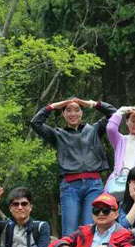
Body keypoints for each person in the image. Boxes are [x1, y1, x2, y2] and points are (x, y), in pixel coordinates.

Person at [30, 98, 116, 236]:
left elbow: (114, 114)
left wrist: (91, 104)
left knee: (91, 230)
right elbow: (36, 123)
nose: (73, 114)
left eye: (77, 110)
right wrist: (53, 106)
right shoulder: (58, 135)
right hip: (70, 186)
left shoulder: (93, 130)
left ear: (82, 112)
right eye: (68, 110)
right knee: (70, 232)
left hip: (94, 185)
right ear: (63, 114)